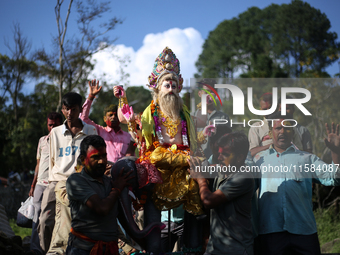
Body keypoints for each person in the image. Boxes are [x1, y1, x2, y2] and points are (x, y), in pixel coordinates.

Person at [113, 47, 203, 253]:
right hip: (159, 167)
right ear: (157, 88)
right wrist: (123, 100)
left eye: (173, 84)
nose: (170, 88)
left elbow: (193, 141)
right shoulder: (150, 112)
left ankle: (195, 244)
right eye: (166, 84)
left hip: (186, 168)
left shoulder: (185, 113)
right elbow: (142, 139)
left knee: (197, 194)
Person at [252, 111, 340, 255]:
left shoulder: (307, 158)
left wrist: (336, 153)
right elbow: (244, 190)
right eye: (278, 128)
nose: (283, 131)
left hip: (304, 231)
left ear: (293, 132)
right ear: (270, 132)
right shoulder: (258, 160)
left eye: (287, 128)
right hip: (270, 231)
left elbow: (334, 178)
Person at [38, 92, 97, 255]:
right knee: (44, 221)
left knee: (77, 223)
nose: (69, 113)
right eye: (66, 109)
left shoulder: (91, 131)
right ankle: (47, 251)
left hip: (81, 183)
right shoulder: (55, 132)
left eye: (73, 109)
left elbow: (94, 160)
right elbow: (52, 160)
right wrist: (51, 181)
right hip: (57, 181)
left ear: (79, 109)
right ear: (62, 110)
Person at [188, 132, 254, 255]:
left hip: (235, 249)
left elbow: (209, 201)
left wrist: (200, 178)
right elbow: (207, 168)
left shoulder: (244, 177)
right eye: (219, 153)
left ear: (240, 157)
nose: (219, 158)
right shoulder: (225, 169)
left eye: (225, 154)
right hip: (214, 248)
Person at [65, 135, 133, 255]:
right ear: (82, 159)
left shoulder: (109, 182)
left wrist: (143, 243)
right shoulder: (76, 181)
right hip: (83, 250)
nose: (101, 161)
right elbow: (102, 209)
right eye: (95, 157)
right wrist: (117, 189)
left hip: (110, 249)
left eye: (104, 156)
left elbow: (123, 218)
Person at [29, 112, 63, 255]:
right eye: (50, 125)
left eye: (55, 124)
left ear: (61, 124)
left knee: (53, 217)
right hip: (40, 184)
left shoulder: (64, 140)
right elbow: (38, 164)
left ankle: (52, 248)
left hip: (56, 183)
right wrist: (33, 185)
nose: (52, 127)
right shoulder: (42, 140)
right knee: (36, 216)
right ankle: (36, 249)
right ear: (47, 125)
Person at [79, 80, 135, 163]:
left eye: (116, 115)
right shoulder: (99, 131)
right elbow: (82, 118)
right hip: (105, 171)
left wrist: (122, 98)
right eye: (110, 115)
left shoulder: (129, 136)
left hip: (126, 173)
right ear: (105, 119)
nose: (114, 117)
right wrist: (91, 96)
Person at [195, 78, 230, 158]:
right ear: (199, 94)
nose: (209, 94)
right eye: (206, 91)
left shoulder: (223, 117)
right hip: (198, 163)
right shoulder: (191, 117)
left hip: (218, 162)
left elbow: (228, 143)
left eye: (212, 92)